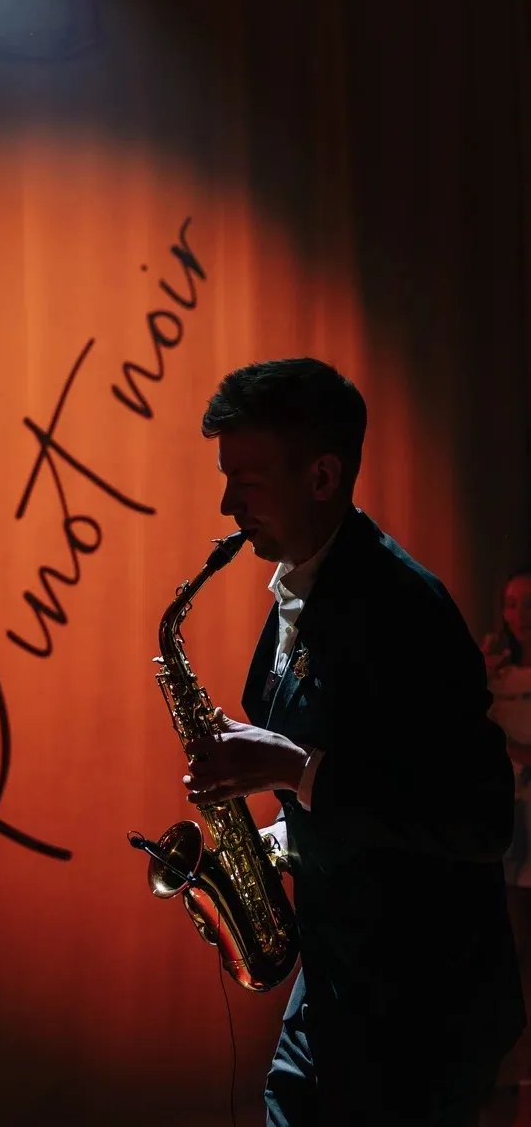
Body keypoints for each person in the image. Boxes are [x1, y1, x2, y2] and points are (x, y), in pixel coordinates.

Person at [183, 357, 525, 1127]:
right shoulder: (301, 585)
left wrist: (295, 769)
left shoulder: (405, 608)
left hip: (418, 1013)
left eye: (247, 481)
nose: (228, 504)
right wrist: (270, 839)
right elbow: (365, 767)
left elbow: (476, 819)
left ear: (321, 476)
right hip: (338, 981)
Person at [481, 569, 531, 1106]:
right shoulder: (495, 673)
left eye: (530, 602)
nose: (522, 614)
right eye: (513, 603)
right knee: (510, 950)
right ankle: (510, 1075)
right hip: (510, 824)